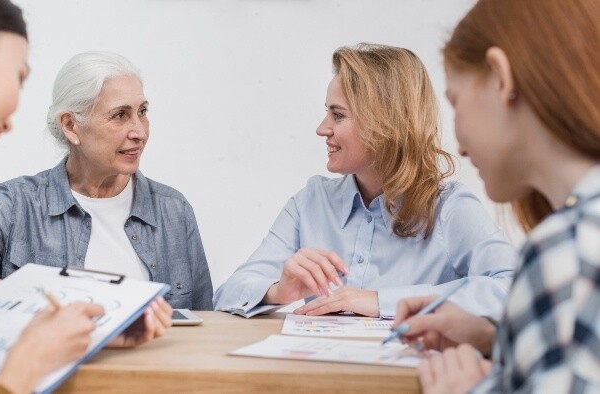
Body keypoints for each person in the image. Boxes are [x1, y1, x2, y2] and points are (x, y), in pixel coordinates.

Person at [0, 1, 170, 392]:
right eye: (18, 76)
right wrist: (31, 361)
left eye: (142, 112)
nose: (11, 119)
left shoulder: (172, 209)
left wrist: (85, 327)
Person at [214, 43, 517, 319]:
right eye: (327, 113)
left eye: (338, 115)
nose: (322, 129)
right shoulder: (311, 201)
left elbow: (513, 288)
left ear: (383, 122)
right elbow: (226, 296)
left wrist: (379, 301)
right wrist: (279, 290)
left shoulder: (449, 208)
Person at [393, 0, 600, 392]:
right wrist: (498, 337)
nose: (458, 144)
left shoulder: (567, 250)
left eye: (455, 101)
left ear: (500, 77)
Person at [0, 51, 213, 311]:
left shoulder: (174, 211)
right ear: (70, 126)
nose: (140, 132)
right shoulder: (17, 203)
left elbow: (206, 323)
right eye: (120, 115)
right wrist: (41, 295)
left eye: (143, 111)